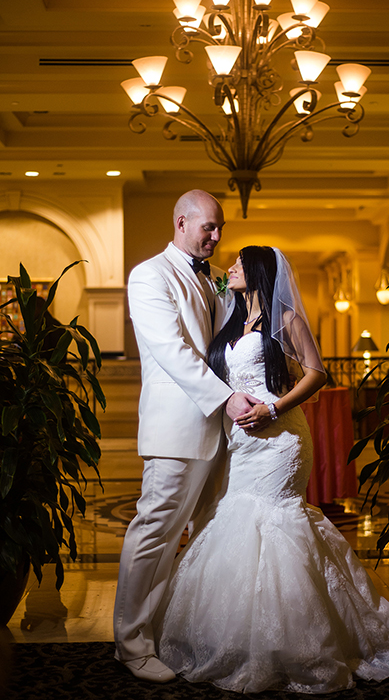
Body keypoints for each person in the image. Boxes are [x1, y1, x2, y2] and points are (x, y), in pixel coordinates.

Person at [155, 246, 389, 694]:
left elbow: (317, 373)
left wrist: (273, 409)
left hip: (280, 439)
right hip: (241, 442)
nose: (231, 267)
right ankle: (238, 641)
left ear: (260, 270)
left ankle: (299, 645)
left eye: (240, 263)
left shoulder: (286, 319)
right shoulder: (231, 321)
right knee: (236, 524)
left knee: (276, 524)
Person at [115, 190, 261, 682]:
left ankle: (175, 634)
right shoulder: (149, 275)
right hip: (176, 428)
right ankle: (131, 646)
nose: (217, 236)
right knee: (155, 534)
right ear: (181, 222)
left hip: (222, 432)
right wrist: (226, 398)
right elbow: (173, 351)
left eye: (220, 228)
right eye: (209, 227)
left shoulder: (216, 278)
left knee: (206, 536)